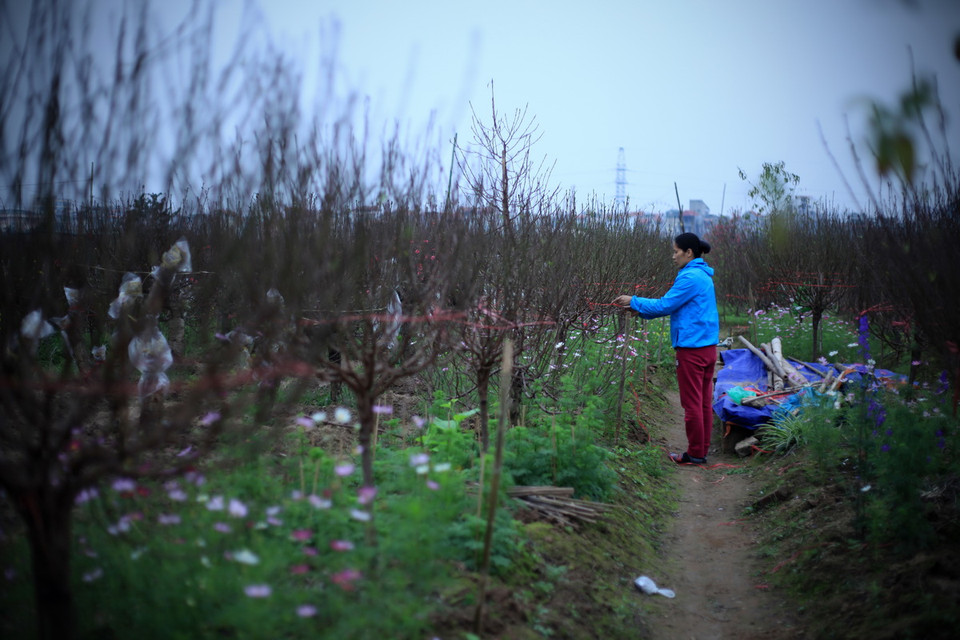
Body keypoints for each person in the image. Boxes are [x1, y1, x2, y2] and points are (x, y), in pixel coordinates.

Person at [613, 232, 720, 465]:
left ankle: (694, 454)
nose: (673, 256)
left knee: (692, 404)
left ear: (688, 252)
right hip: (707, 348)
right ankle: (700, 451)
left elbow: (666, 305)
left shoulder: (690, 277)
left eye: (675, 251)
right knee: (702, 403)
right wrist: (640, 310)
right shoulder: (703, 275)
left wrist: (634, 301)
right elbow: (677, 309)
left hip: (692, 350)